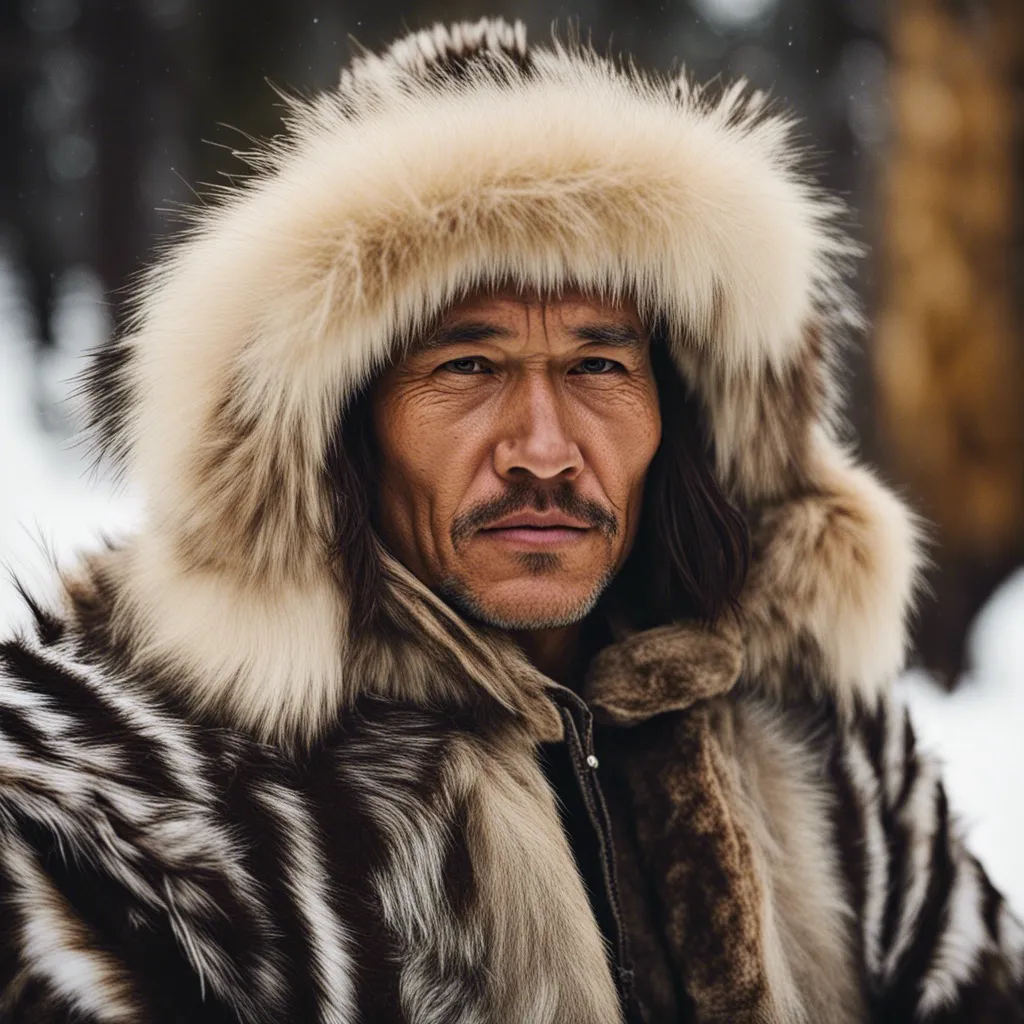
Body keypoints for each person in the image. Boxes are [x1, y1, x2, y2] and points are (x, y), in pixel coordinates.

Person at [0, 18, 1021, 1024]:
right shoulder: (107, 797)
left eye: (597, 365)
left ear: (685, 410)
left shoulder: (819, 744)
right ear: (338, 424)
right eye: (467, 365)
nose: (542, 448)